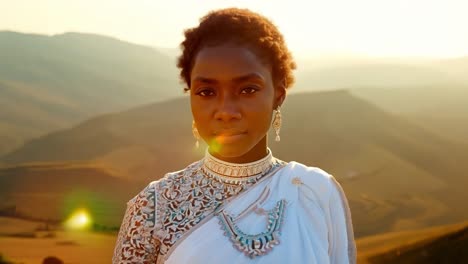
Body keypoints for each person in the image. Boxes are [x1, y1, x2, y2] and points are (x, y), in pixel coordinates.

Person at [113, 7, 356, 264]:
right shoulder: (153, 207)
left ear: (278, 95)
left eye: (247, 90)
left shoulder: (315, 192)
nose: (226, 112)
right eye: (207, 92)